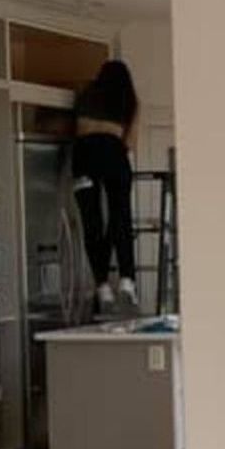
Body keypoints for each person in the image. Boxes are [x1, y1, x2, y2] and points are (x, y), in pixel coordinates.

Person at [71, 60, 140, 312]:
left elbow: (75, 126)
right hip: (113, 151)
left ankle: (101, 285)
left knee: (92, 220)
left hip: (83, 154)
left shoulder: (85, 91)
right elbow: (130, 142)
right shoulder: (128, 99)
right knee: (120, 214)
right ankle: (126, 280)